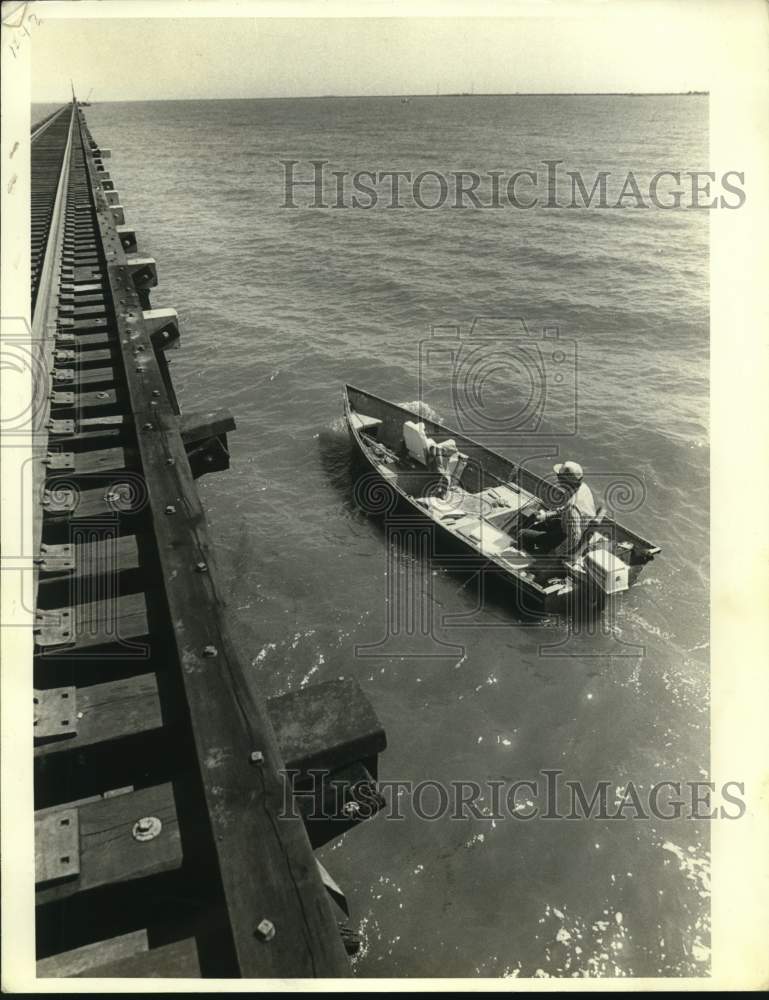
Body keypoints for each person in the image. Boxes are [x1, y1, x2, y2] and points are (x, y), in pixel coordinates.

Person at [518, 461, 596, 556]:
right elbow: (566, 509)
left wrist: (555, 552)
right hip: (574, 526)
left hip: (567, 536)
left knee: (522, 534)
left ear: (563, 480)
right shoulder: (582, 487)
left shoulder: (572, 507)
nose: (557, 479)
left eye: (559, 476)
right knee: (537, 519)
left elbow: (575, 538)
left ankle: (537, 554)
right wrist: (547, 515)